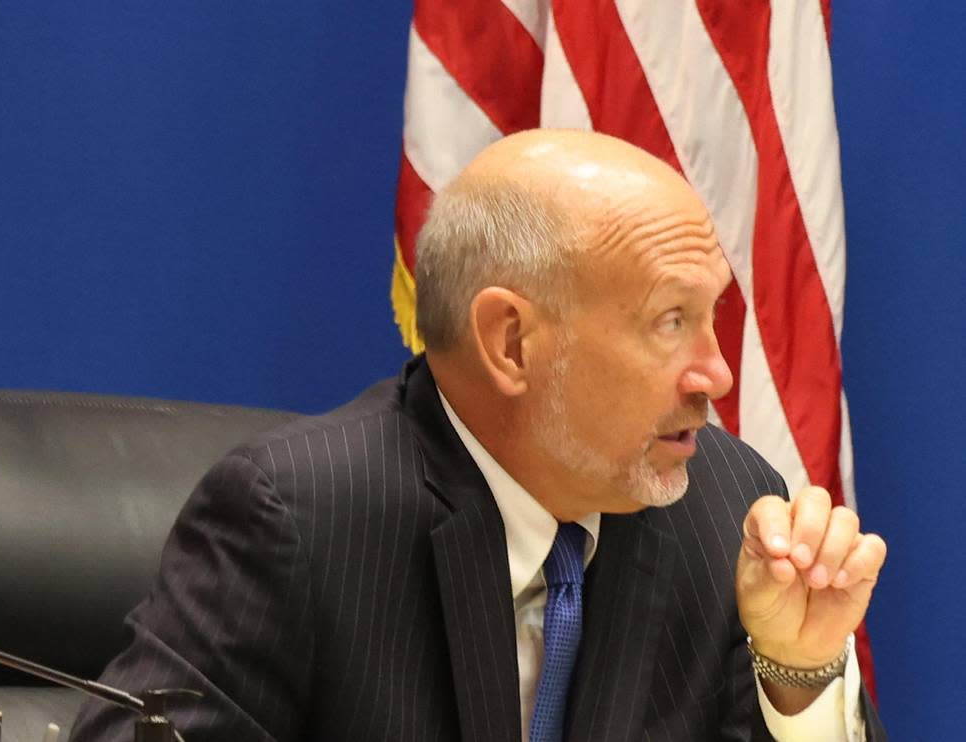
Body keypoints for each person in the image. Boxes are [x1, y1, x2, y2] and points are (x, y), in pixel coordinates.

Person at [70, 130, 887, 741]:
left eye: (713, 319)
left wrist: (799, 677)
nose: (716, 373)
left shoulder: (724, 506)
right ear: (512, 343)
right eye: (671, 321)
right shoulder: (300, 520)